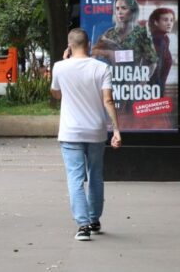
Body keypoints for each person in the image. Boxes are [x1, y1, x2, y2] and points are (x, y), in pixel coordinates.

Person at [51, 28, 122, 241]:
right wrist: (116, 130)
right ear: (88, 44)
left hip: (70, 132)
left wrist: (63, 63)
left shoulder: (59, 67)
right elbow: (108, 101)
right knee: (96, 176)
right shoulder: (101, 68)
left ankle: (83, 226)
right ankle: (94, 219)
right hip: (96, 131)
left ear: (69, 45)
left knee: (75, 178)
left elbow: (56, 94)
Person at [91, 0, 157, 71]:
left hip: (133, 79)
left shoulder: (142, 33)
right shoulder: (109, 33)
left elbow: (153, 62)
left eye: (124, 8)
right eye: (117, 8)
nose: (119, 12)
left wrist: (141, 82)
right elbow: (94, 54)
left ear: (133, 11)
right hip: (111, 80)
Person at [147, 7, 175, 94]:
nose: (169, 23)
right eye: (165, 20)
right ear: (156, 22)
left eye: (171, 20)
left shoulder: (164, 39)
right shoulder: (158, 40)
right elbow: (156, 67)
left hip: (156, 87)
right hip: (154, 88)